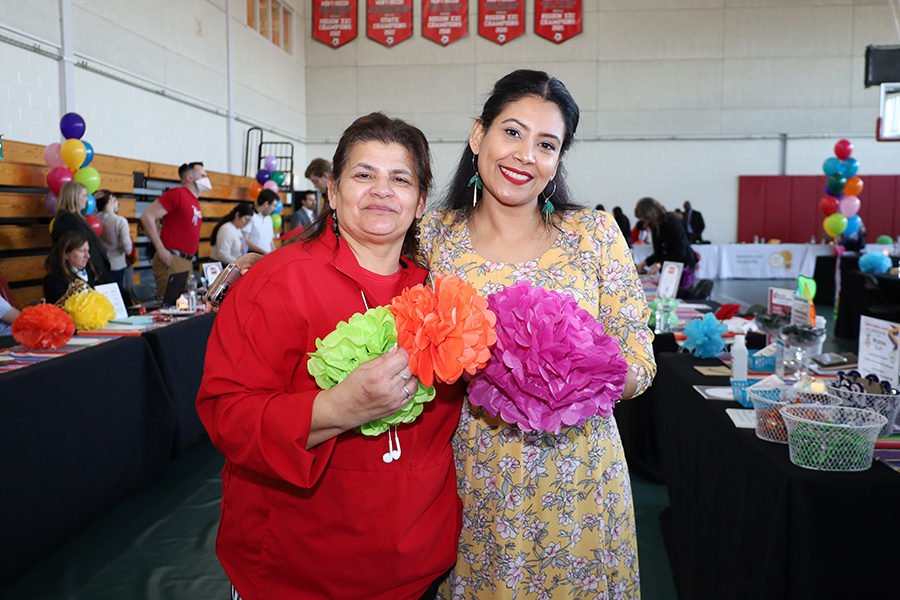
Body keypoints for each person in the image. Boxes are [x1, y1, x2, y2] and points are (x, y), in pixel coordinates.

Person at [196, 113, 463, 600]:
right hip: (299, 572)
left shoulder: (442, 298)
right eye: (364, 175)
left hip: (418, 566)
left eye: (400, 178)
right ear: (334, 193)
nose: (382, 190)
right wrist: (338, 409)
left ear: (421, 202)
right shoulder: (276, 282)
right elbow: (226, 414)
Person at [420, 69, 656, 600]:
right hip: (477, 475)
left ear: (557, 160)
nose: (526, 155)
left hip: (581, 475)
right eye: (512, 132)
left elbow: (639, 350)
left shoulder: (593, 234)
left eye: (546, 144)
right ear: (479, 135)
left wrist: (586, 379)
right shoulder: (432, 237)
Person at [139, 161, 208, 298]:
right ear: (189, 178)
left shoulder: (194, 200)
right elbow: (147, 216)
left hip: (186, 260)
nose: (206, 179)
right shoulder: (178, 194)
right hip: (172, 258)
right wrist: (161, 249)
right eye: (203, 175)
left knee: (186, 305)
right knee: (170, 305)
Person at [635, 196, 698, 291]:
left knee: (680, 293)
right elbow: (659, 251)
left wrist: (660, 264)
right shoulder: (655, 226)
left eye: (645, 218)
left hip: (683, 266)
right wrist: (644, 263)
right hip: (671, 265)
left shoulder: (671, 221)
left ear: (651, 214)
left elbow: (680, 250)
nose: (645, 221)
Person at [51, 181, 111, 278]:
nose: (87, 199)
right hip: (84, 274)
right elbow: (70, 252)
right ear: (73, 197)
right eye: (83, 196)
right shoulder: (68, 220)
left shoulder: (73, 218)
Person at [43, 230, 115, 304]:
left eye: (88, 251)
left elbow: (119, 292)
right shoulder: (53, 280)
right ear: (66, 254)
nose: (87, 256)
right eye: (82, 251)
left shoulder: (95, 270)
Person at [93, 190, 133, 288]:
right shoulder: (120, 221)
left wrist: (95, 199)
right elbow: (127, 248)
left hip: (99, 264)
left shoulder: (95, 219)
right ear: (112, 199)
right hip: (116, 264)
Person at [242, 189, 279, 255]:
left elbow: (270, 241)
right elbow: (245, 240)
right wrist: (263, 252)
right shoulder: (250, 216)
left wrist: (275, 254)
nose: (275, 208)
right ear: (266, 204)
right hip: (253, 257)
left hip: (267, 257)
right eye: (274, 205)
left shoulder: (269, 219)